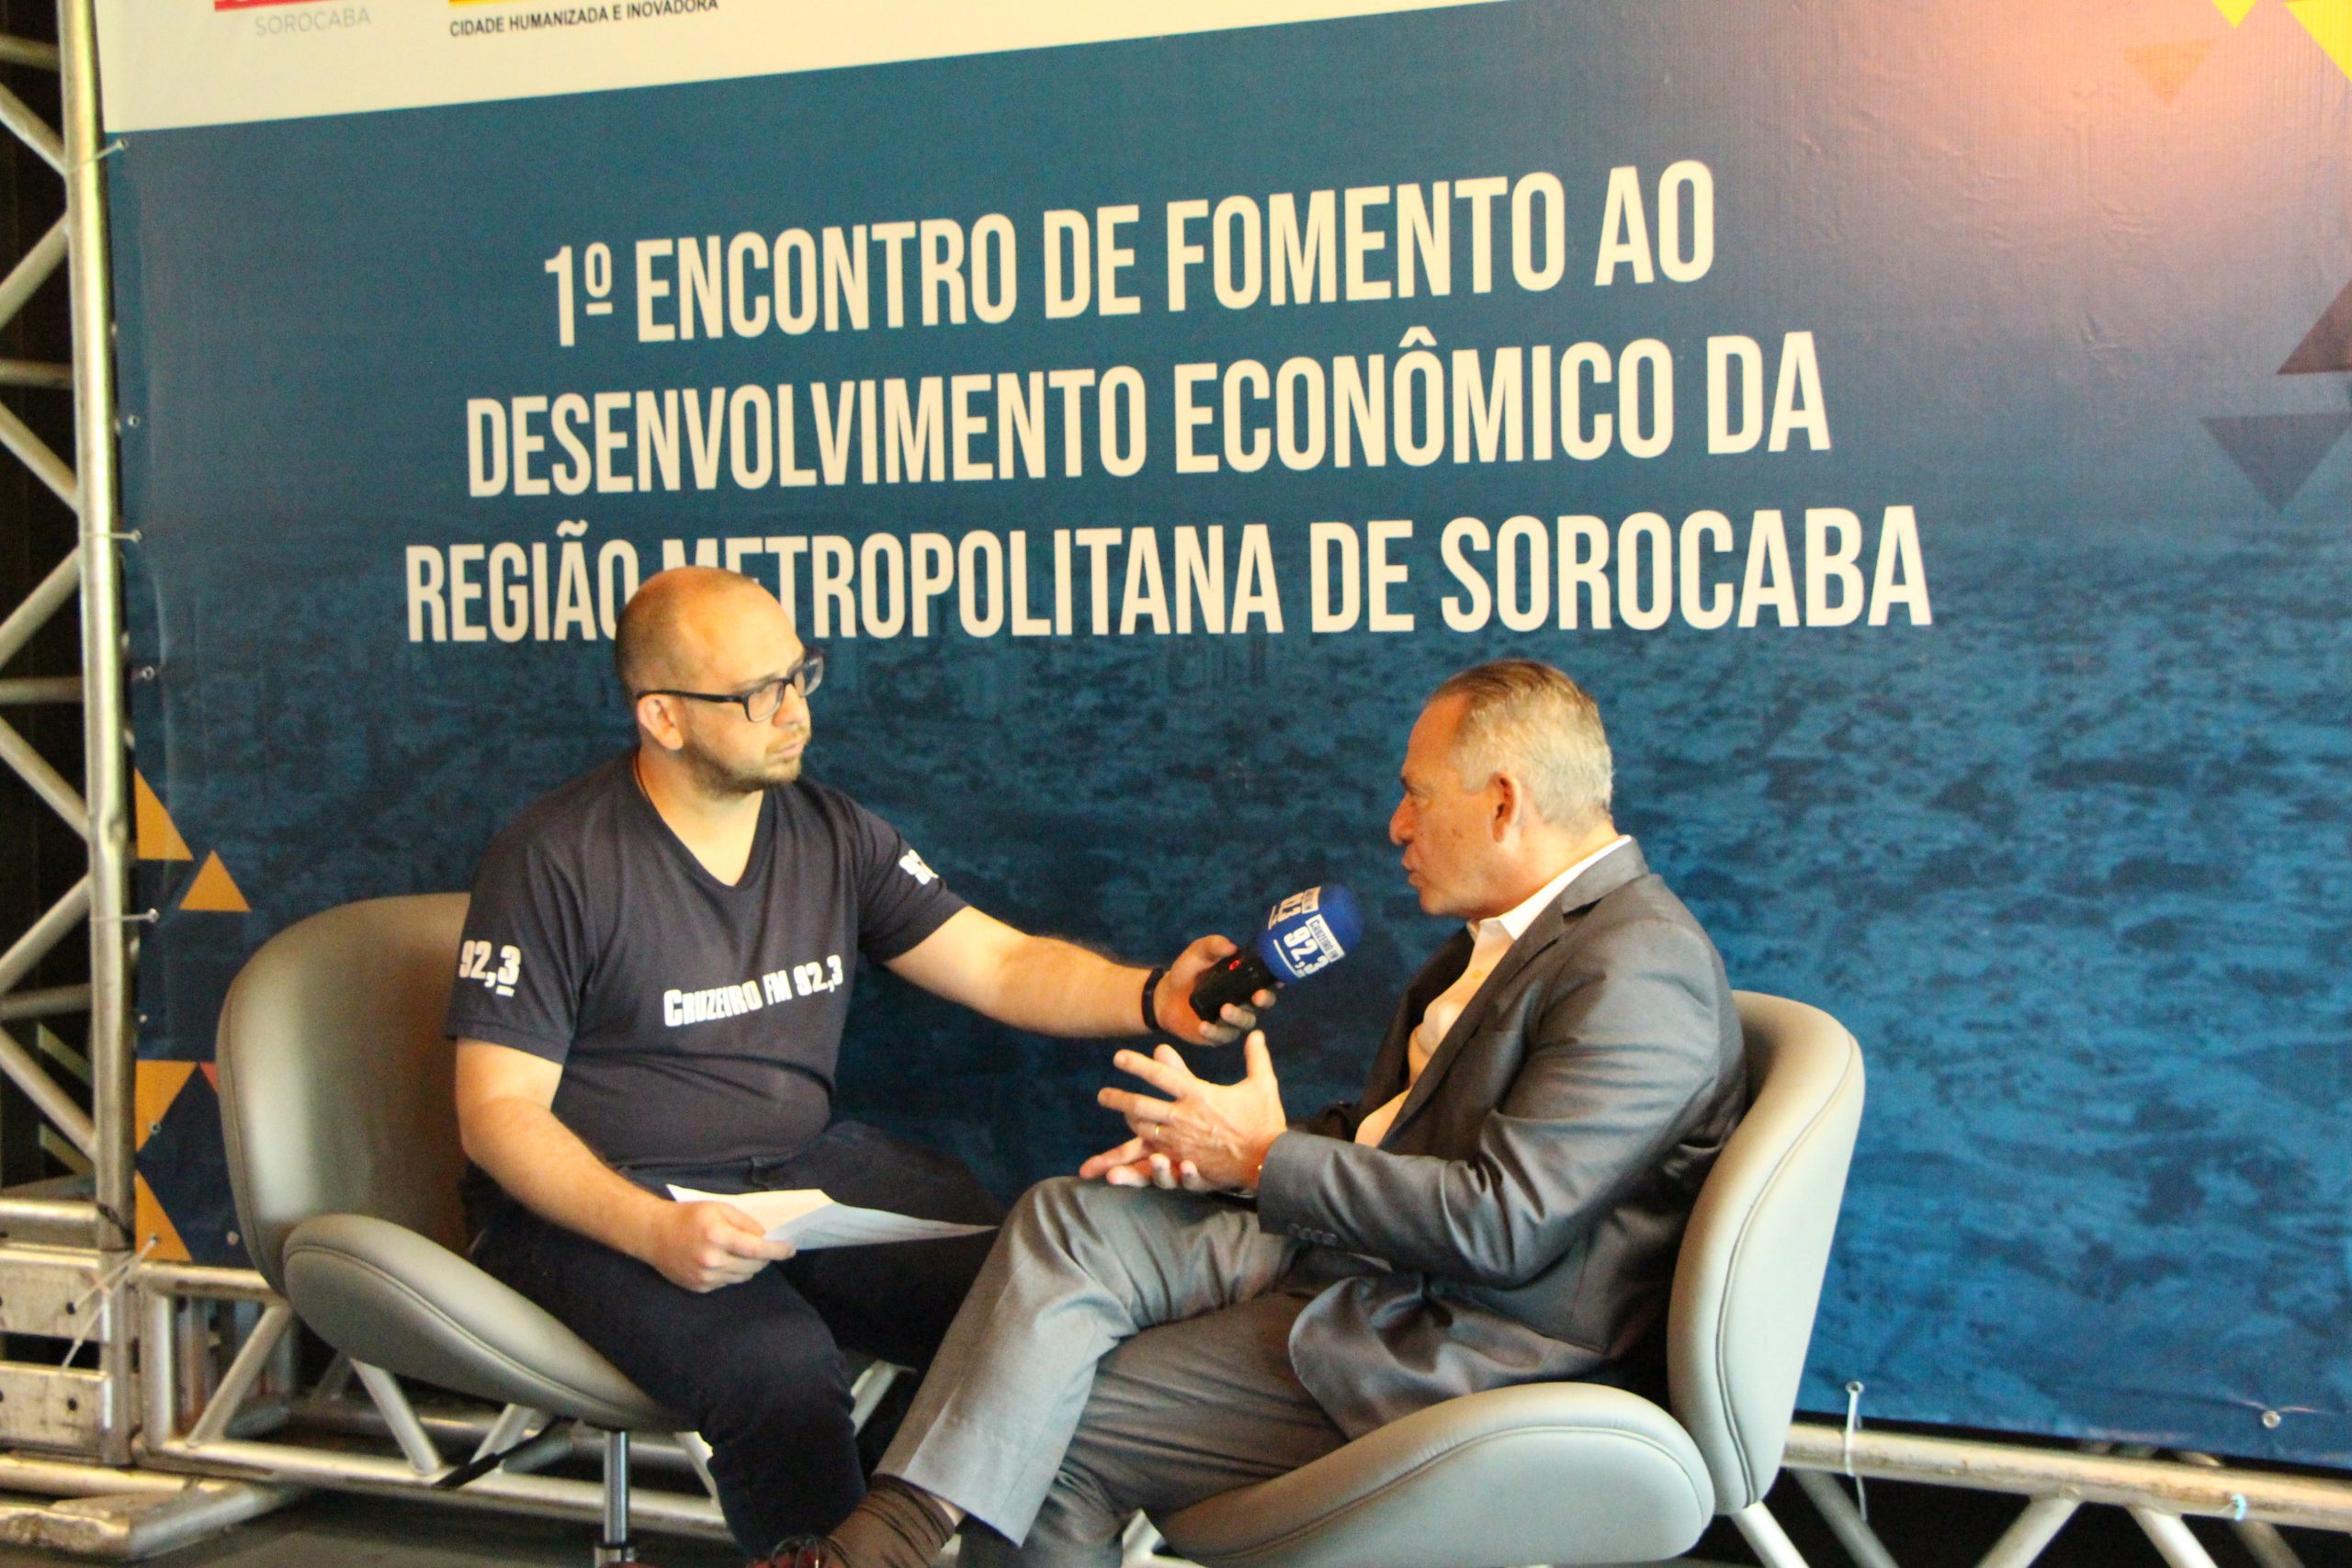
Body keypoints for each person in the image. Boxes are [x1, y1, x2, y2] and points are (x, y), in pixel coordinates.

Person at [774, 658, 1749, 1568]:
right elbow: (1402, 1137)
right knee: (1067, 1219)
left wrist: (1263, 1159)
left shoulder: (1639, 967)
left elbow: (1505, 1222)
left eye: (1415, 794)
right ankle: (885, 1541)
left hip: (1458, 1340)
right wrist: (1220, 1155)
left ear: (1502, 802)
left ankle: (879, 1545)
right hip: (1362, 1255)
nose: (1395, 827)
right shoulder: (1497, 939)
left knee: (1052, 1422)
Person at [446, 566, 1264, 1555]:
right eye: (758, 694)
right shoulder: (552, 858)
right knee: (780, 1371)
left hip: (797, 1177)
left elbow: (999, 963)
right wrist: (650, 1229)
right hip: (598, 1204)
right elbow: (497, 1115)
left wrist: (1152, 995)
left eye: (800, 675)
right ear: (663, 716)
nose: (796, 711)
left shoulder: (831, 832)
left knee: (1033, 1298)